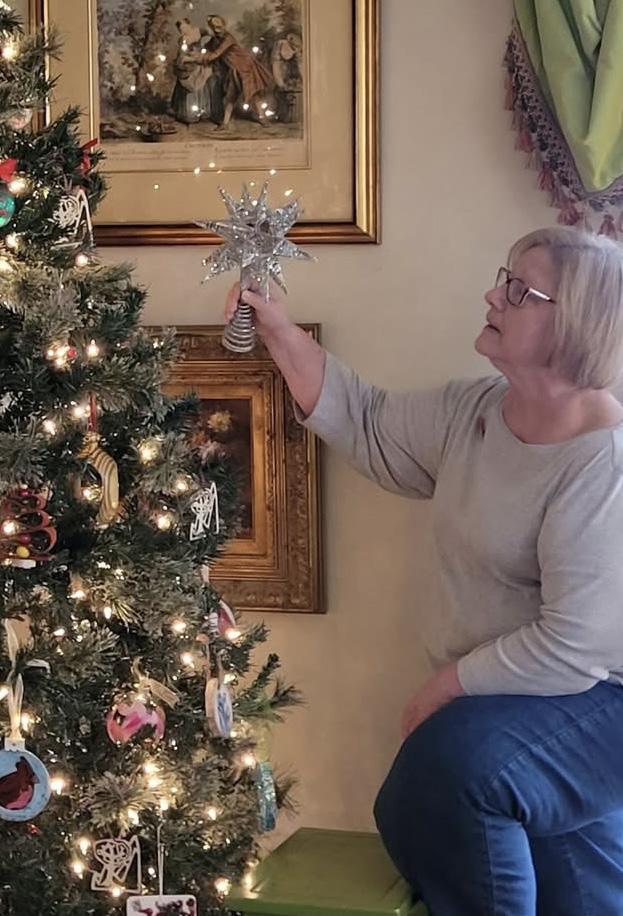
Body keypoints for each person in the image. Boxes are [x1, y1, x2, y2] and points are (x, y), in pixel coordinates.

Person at [224, 227, 623, 916]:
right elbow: (371, 423)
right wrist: (278, 331)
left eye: (518, 291)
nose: (492, 296)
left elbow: (574, 646)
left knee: (443, 776)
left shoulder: (603, 464)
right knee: (572, 880)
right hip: (512, 703)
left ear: (575, 322)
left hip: (599, 696)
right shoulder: (473, 412)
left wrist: (443, 690)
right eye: (503, 278)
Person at [201, 15, 273, 130]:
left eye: (218, 28)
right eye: (214, 28)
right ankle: (225, 123)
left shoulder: (228, 38)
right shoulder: (216, 39)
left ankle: (263, 118)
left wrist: (197, 58)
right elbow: (207, 47)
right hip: (235, 69)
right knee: (231, 95)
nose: (217, 30)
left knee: (253, 94)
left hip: (245, 67)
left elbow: (215, 54)